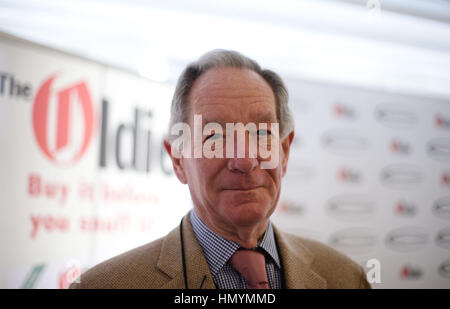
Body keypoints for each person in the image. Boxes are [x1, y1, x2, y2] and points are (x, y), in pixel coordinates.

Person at [70, 50, 371, 289]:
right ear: (178, 160)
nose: (245, 160)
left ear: (285, 150)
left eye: (262, 133)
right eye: (215, 136)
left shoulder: (345, 278)